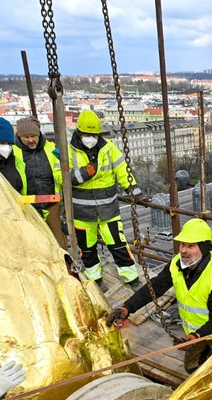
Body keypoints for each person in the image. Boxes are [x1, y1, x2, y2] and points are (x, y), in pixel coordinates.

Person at [107, 218, 212, 373]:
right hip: (193, 333)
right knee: (190, 368)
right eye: (182, 244)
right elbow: (155, 287)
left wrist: (196, 336)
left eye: (191, 246)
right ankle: (206, 354)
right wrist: (127, 308)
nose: (183, 250)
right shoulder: (177, 264)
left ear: (203, 248)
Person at [68, 109, 142, 287]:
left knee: (118, 245)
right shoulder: (67, 151)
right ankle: (95, 280)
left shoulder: (109, 148)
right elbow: (63, 178)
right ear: (79, 132)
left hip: (108, 210)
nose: (91, 138)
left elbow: (122, 169)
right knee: (87, 249)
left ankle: (132, 278)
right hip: (82, 214)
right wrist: (85, 173)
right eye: (87, 134)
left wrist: (133, 189)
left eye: (94, 134)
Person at [16, 116, 64, 246]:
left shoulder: (51, 148)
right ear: (19, 137)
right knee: (36, 242)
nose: (31, 140)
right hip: (28, 205)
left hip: (51, 202)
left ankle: (65, 265)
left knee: (58, 239)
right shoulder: (14, 151)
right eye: (26, 137)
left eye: (33, 136)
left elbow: (63, 169)